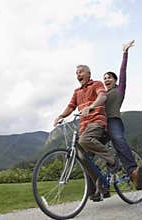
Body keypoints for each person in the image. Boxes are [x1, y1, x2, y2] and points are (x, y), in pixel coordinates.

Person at [54, 64, 117, 201]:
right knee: (82, 158)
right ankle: (101, 186)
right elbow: (71, 107)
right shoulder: (77, 91)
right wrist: (61, 116)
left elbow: (102, 97)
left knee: (83, 141)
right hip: (84, 127)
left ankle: (112, 159)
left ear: (88, 73)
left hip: (97, 123)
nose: (78, 75)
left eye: (81, 72)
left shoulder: (96, 84)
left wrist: (92, 106)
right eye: (76, 73)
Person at [103, 40, 142, 190]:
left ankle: (133, 172)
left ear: (115, 80)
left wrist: (125, 53)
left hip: (114, 121)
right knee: (93, 149)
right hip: (102, 124)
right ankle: (99, 186)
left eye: (109, 77)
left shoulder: (119, 90)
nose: (106, 79)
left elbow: (123, 71)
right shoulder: (102, 94)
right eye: (104, 78)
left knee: (119, 141)